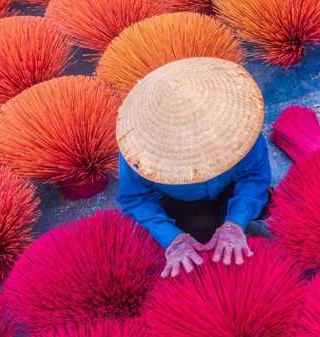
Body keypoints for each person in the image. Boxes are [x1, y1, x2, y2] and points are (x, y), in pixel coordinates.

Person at [115, 57, 271, 278]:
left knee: (262, 203)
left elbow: (255, 175)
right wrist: (172, 238)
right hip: (183, 202)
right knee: (201, 228)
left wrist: (236, 222)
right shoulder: (138, 149)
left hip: (232, 185)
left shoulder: (242, 126)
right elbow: (135, 199)